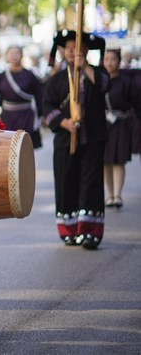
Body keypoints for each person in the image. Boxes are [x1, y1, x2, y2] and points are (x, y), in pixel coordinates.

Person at [43, 29, 109, 249]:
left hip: (93, 138)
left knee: (91, 183)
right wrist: (63, 122)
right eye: (69, 49)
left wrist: (86, 67)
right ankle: (69, 229)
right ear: (63, 51)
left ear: (86, 50)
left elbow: (105, 85)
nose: (73, 53)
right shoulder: (56, 80)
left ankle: (90, 231)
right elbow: (46, 106)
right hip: (65, 139)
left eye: (77, 49)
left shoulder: (96, 72)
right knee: (66, 181)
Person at [0, 45, 44, 148]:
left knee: (25, 149)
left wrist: (41, 116)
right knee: (9, 149)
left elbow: (40, 95)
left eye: (17, 53)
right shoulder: (1, 76)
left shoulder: (29, 75)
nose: (14, 56)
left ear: (21, 55)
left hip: (27, 117)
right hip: (8, 118)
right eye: (11, 53)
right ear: (7, 56)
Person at [102, 49, 134, 210]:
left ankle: (118, 195)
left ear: (119, 61)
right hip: (103, 124)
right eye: (106, 59)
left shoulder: (126, 81)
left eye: (113, 59)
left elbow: (133, 103)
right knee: (105, 161)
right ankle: (109, 194)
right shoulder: (99, 79)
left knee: (118, 160)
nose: (109, 63)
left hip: (121, 124)